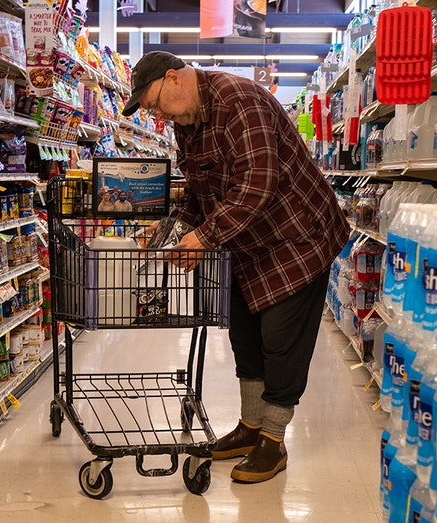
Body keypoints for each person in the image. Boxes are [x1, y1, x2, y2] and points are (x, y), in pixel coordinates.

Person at [121, 51, 350, 484]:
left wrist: (206, 237)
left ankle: (274, 441)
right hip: (250, 240)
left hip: (297, 235)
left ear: (173, 79)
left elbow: (257, 183)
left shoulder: (238, 101)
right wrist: (178, 227)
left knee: (281, 340)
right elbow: (198, 188)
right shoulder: (186, 124)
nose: (153, 114)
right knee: (244, 333)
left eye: (153, 103)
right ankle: (250, 427)